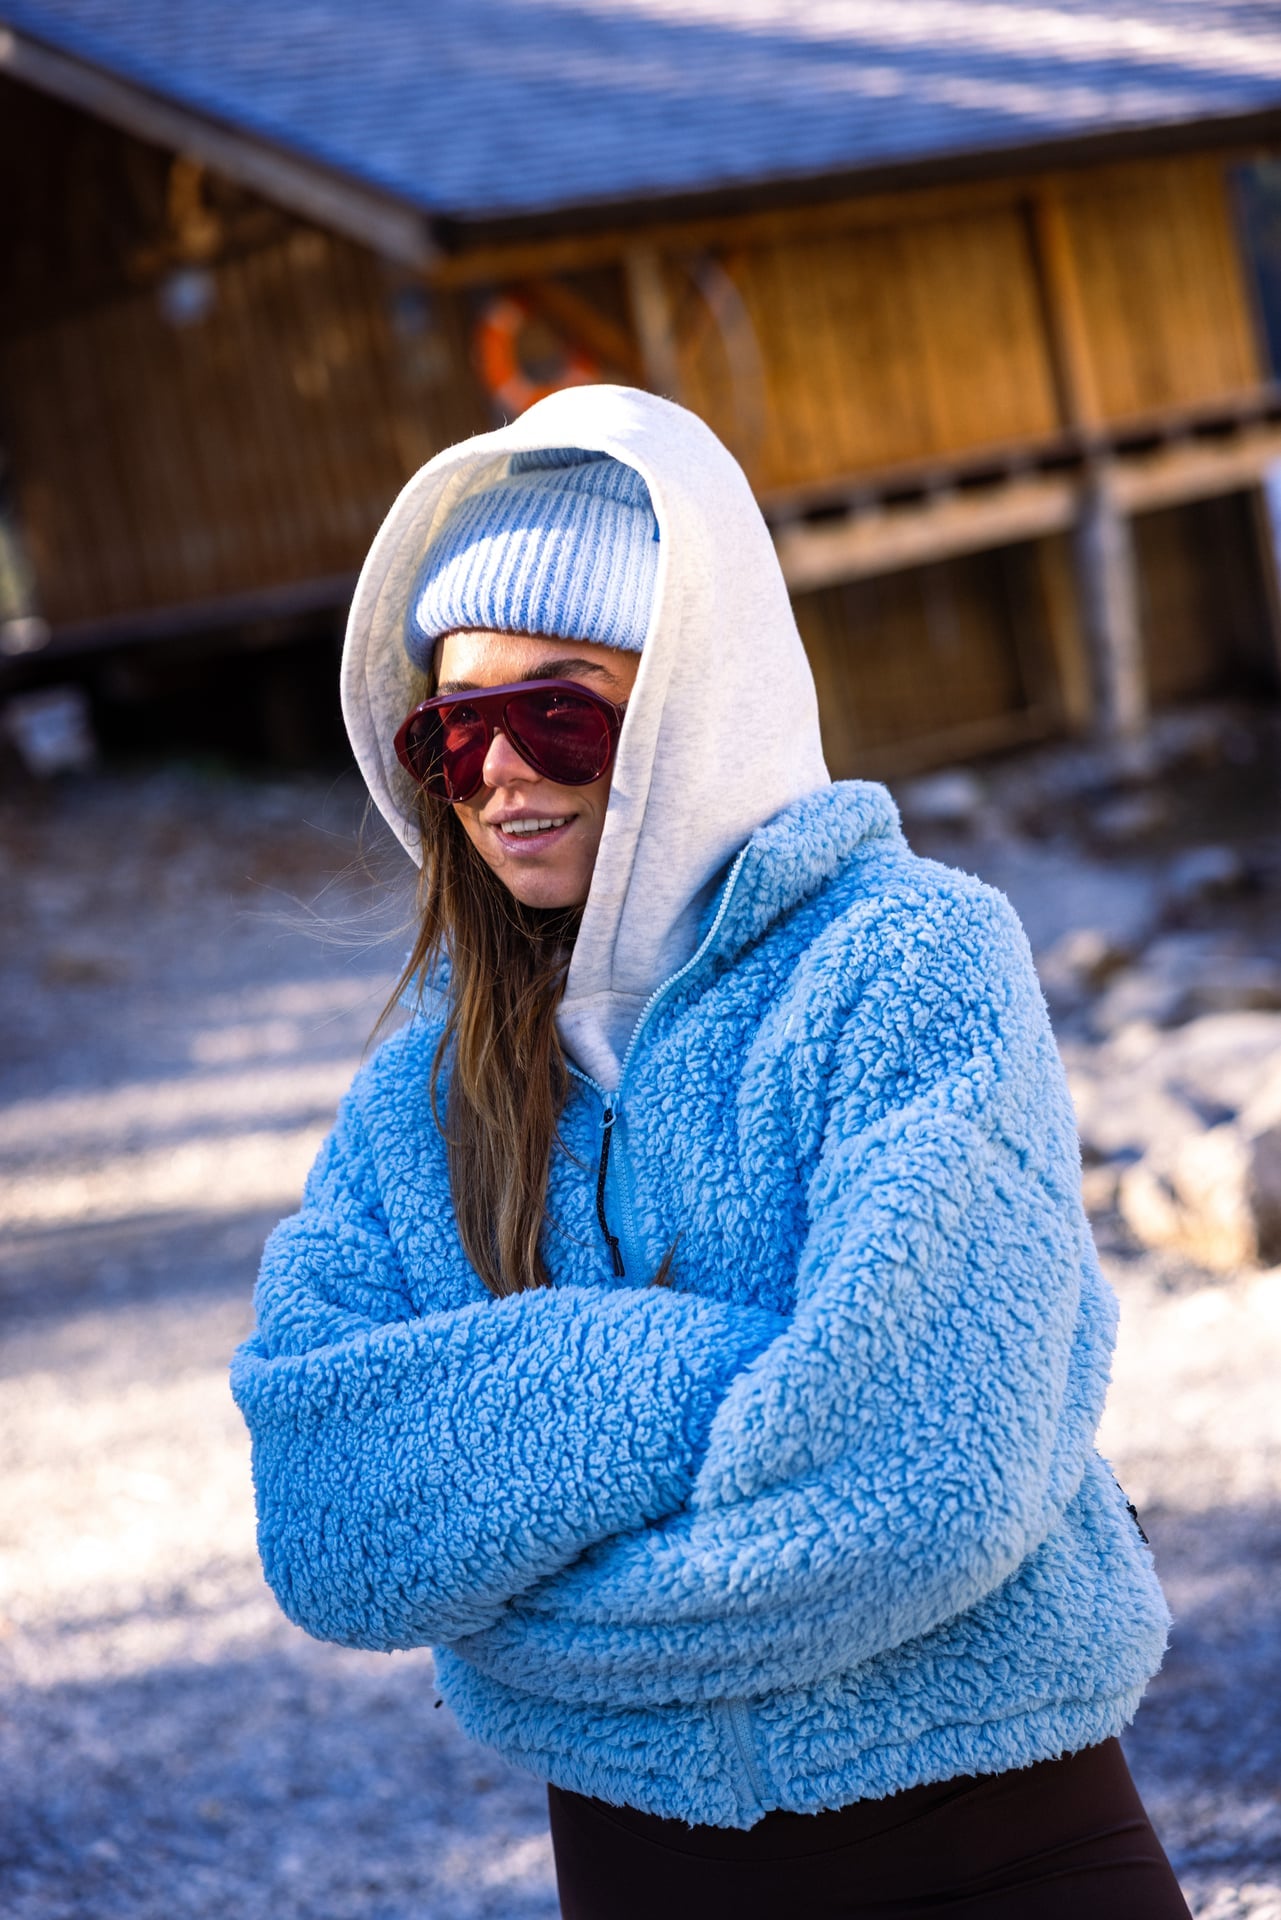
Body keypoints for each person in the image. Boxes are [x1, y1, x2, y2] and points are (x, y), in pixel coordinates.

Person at [232, 385, 1191, 1918]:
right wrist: (727, 1371)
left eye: (558, 712)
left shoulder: (906, 961)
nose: (498, 772)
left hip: (997, 1835)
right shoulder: (429, 1079)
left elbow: (925, 1482)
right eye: (451, 730)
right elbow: (330, 1511)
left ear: (693, 701)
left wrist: (524, 1605)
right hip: (639, 1866)